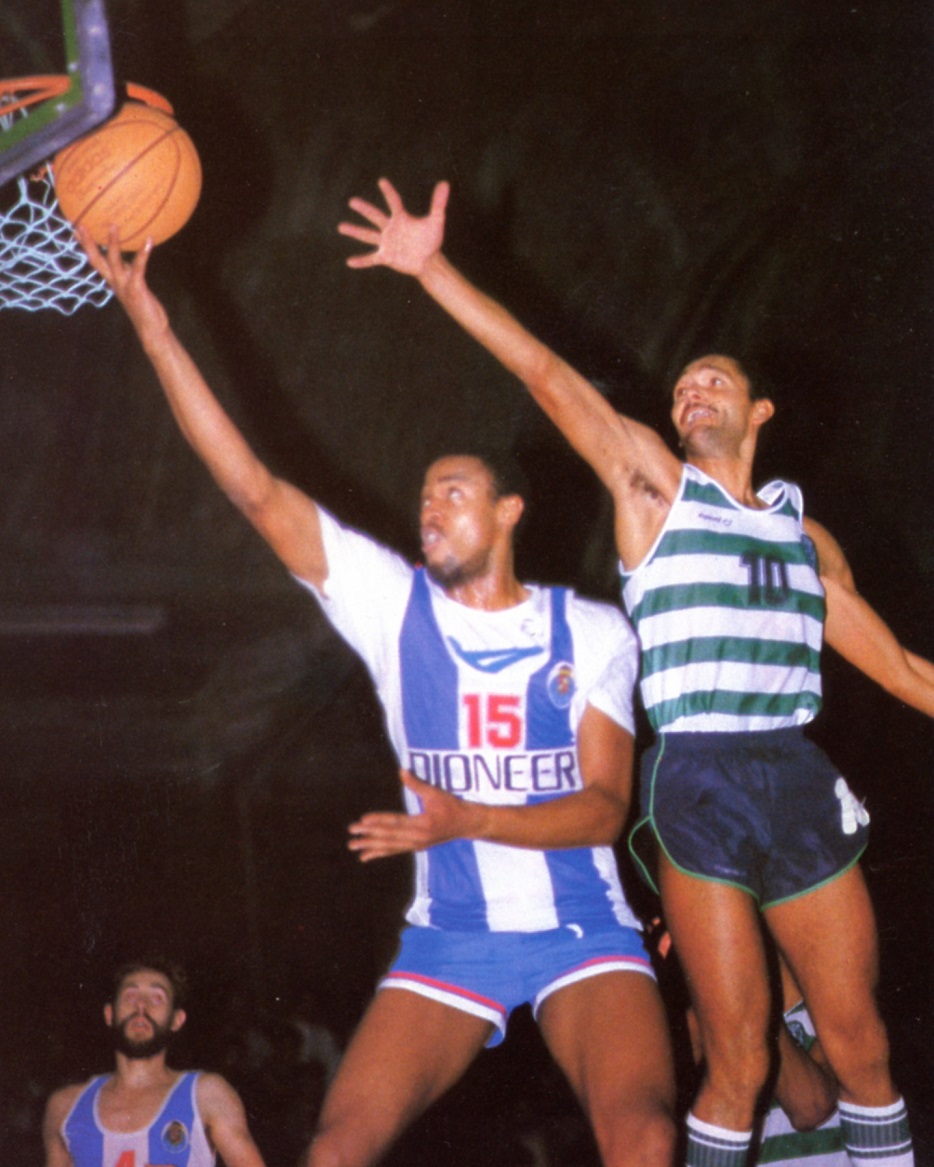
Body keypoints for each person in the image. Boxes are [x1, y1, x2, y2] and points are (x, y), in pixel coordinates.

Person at [336, 177, 934, 1167]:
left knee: (860, 1045)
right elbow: (547, 376)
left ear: (760, 410)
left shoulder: (806, 540)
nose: (691, 390)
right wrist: (431, 268)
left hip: (794, 770)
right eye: (682, 384)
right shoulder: (657, 488)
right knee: (738, 1057)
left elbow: (907, 669)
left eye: (714, 380)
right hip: (695, 775)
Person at [77, 226, 677, 1167]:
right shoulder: (394, 606)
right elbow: (255, 491)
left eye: (453, 492)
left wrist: (469, 818)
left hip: (580, 930)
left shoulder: (593, 631)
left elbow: (604, 810)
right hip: (452, 938)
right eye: (425, 496)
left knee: (642, 1134)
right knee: (335, 1149)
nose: (429, 508)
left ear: (509, 510)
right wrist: (155, 331)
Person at [41, 959, 267, 1167]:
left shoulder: (206, 1094)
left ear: (176, 1020)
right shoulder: (65, 1107)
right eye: (130, 996)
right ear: (109, 1014)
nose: (141, 1005)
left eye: (157, 998)